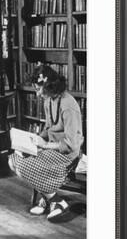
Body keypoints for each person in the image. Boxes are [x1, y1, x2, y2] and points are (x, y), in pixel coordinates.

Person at [8, 65, 84, 221]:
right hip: (50, 149)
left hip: (68, 155)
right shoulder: (49, 100)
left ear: (49, 86)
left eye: (38, 89)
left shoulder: (68, 105)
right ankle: (48, 196)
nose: (37, 94)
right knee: (14, 159)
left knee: (24, 165)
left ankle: (56, 201)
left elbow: (72, 144)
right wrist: (34, 139)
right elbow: (48, 128)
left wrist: (45, 145)